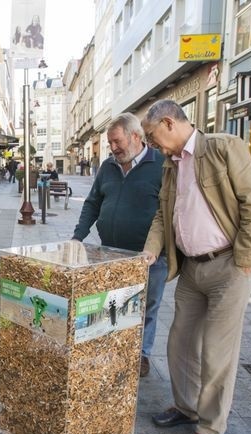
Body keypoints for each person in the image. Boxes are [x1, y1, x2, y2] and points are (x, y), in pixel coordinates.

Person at [139, 99, 251, 434]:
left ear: (170, 123)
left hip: (229, 265)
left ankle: (211, 428)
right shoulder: (171, 165)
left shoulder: (223, 147)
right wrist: (149, 251)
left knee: (217, 352)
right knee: (180, 343)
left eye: (152, 135)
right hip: (192, 267)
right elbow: (163, 215)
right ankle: (187, 408)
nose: (151, 143)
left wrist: (247, 261)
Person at [72, 112, 167, 378]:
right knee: (114, 305)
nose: (113, 148)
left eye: (117, 141)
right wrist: (77, 237)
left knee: (146, 306)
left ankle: (142, 356)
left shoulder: (161, 165)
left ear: (136, 136)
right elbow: (92, 203)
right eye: (110, 143)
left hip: (149, 256)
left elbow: (170, 211)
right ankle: (113, 350)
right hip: (110, 252)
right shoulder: (108, 167)